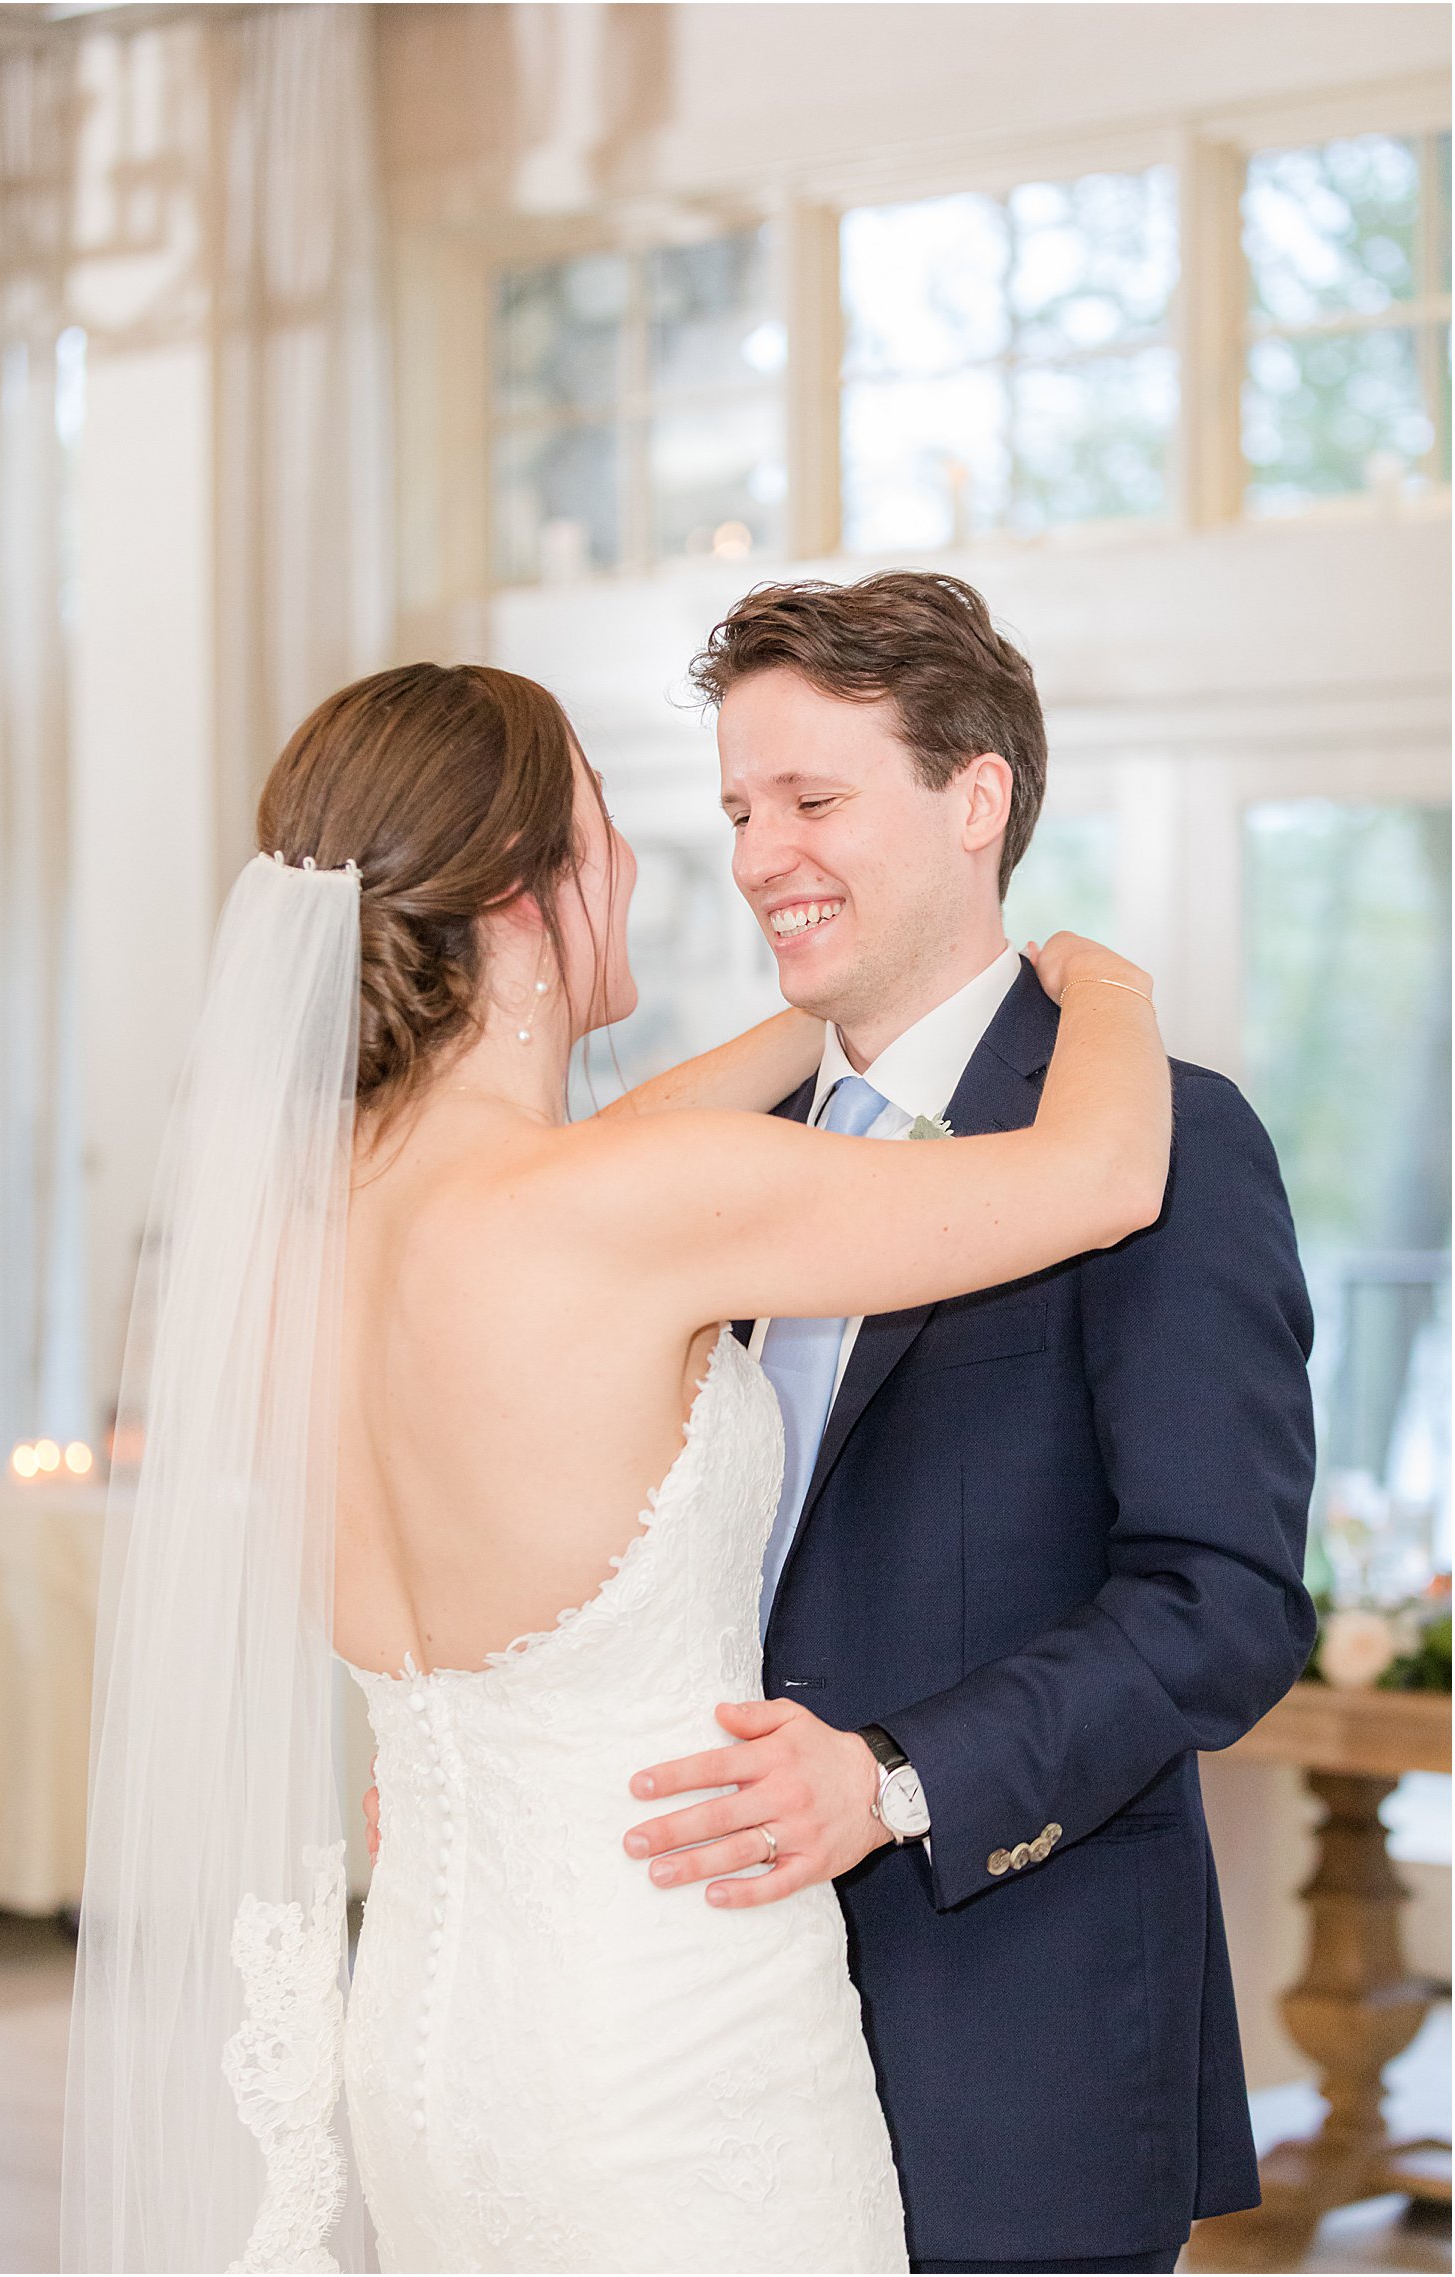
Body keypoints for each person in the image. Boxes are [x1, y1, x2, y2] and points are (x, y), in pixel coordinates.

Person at [63, 655, 1170, 2274]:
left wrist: (829, 1002)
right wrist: (1103, 978)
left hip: (436, 2039)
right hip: (669, 2044)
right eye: (611, 825)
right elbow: (1103, 1168)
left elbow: (619, 1146)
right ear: (523, 891)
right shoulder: (629, 1209)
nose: (659, 862)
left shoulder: (316, 1230)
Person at [612, 572, 1318, 2277]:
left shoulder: (1163, 1136)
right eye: (736, 808)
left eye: (815, 798)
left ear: (974, 794)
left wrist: (896, 1778)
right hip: (706, 2015)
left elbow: (1222, 1605)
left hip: (1020, 2032)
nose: (762, 851)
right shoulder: (734, 1151)